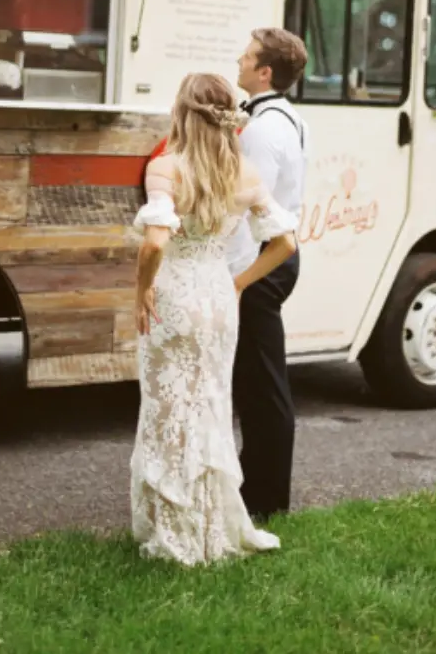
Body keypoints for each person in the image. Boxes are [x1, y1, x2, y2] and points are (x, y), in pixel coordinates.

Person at [131, 72, 298, 566]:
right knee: (211, 407)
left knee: (167, 410)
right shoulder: (244, 174)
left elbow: (155, 243)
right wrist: (240, 283)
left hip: (174, 296)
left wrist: (142, 289)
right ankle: (209, 527)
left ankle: (174, 530)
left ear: (183, 113)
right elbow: (285, 244)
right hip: (218, 295)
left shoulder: (166, 168)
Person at [228, 28, 309, 522]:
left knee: (261, 385)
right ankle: (258, 486)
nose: (238, 60)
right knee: (257, 381)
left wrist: (236, 279)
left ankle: (265, 497)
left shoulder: (261, 130)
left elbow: (247, 209)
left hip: (263, 259)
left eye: (247, 56)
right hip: (276, 256)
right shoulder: (290, 118)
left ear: (264, 72)